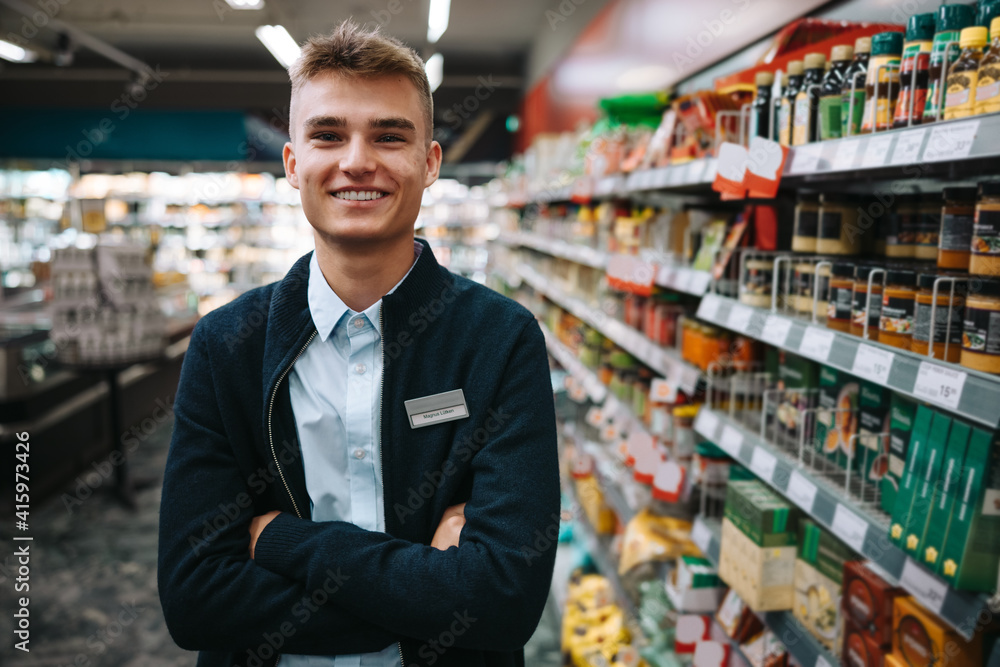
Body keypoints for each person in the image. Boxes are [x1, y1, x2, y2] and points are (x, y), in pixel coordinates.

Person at [157, 19, 560, 667]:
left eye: (389, 135)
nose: (355, 161)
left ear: (430, 163)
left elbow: (503, 600)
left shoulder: (498, 338)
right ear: (293, 164)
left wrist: (285, 541)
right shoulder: (227, 344)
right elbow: (195, 598)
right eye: (327, 134)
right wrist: (428, 590)